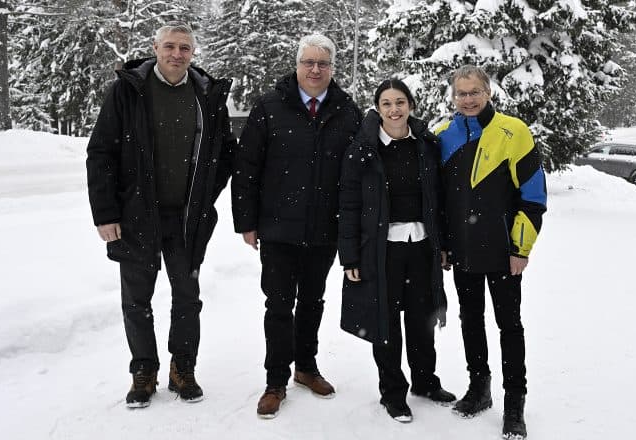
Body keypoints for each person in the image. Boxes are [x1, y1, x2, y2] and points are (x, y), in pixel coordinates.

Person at [86, 22, 234, 408]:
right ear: (155, 48)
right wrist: (105, 213)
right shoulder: (127, 91)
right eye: (169, 46)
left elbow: (224, 154)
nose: (176, 54)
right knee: (137, 300)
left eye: (184, 48)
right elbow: (101, 153)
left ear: (193, 52)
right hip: (136, 216)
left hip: (187, 220)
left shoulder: (207, 94)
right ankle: (144, 371)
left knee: (187, 297)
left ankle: (183, 367)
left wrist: (204, 196)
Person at [231, 33, 362, 419]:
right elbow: (247, 167)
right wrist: (247, 222)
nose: (315, 69)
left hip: (324, 229)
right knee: (278, 304)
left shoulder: (346, 111)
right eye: (309, 62)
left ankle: (305, 367)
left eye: (322, 63)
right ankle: (275, 381)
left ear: (331, 68)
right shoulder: (270, 107)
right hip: (277, 228)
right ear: (297, 65)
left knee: (312, 302)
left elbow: (359, 174)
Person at [434, 65, 547, 438]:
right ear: (453, 96)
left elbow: (533, 197)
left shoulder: (513, 131)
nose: (467, 99)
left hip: (503, 253)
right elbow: (440, 201)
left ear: (488, 92)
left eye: (474, 92)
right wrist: (444, 245)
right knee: (470, 320)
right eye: (461, 93)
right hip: (463, 253)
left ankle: (514, 402)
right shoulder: (443, 136)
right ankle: (479, 388)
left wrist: (520, 248)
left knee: (509, 326)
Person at [338, 79, 456, 423]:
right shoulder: (363, 149)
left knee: (422, 319)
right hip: (381, 251)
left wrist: (443, 244)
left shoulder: (426, 145)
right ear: (378, 108)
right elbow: (348, 205)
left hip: (421, 248)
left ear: (411, 106)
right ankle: (392, 393)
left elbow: (438, 200)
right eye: (386, 103)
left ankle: (425, 381)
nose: (394, 110)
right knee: (385, 323)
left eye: (400, 102)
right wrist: (350, 256)